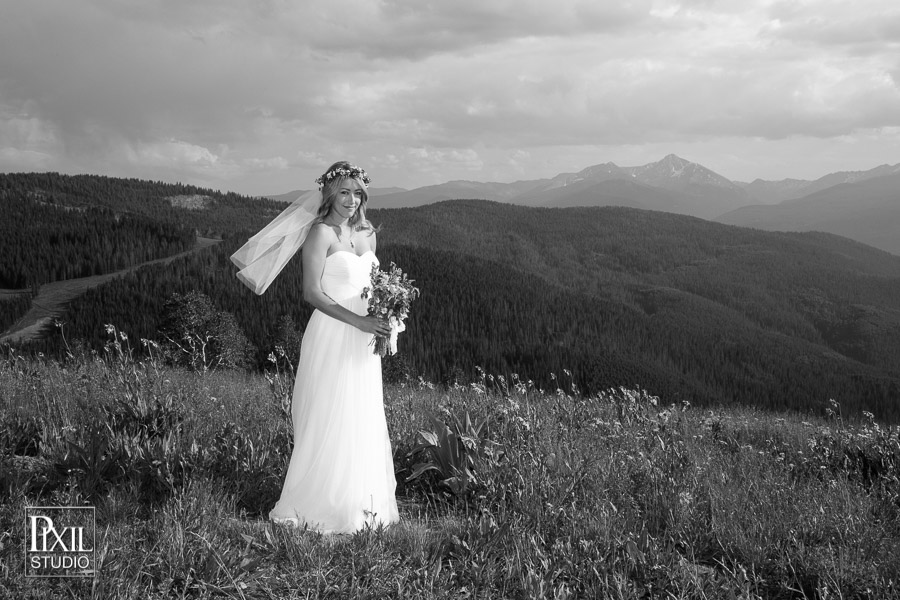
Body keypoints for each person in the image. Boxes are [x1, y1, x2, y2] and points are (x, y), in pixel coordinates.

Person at [230, 161, 400, 533]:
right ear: (329, 194)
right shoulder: (319, 233)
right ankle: (319, 501)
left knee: (362, 413)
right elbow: (312, 292)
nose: (351, 200)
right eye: (344, 192)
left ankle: (360, 503)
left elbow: (375, 288)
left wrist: (387, 319)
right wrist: (358, 321)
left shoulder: (368, 233)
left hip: (364, 340)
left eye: (357, 193)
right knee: (329, 414)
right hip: (332, 333)